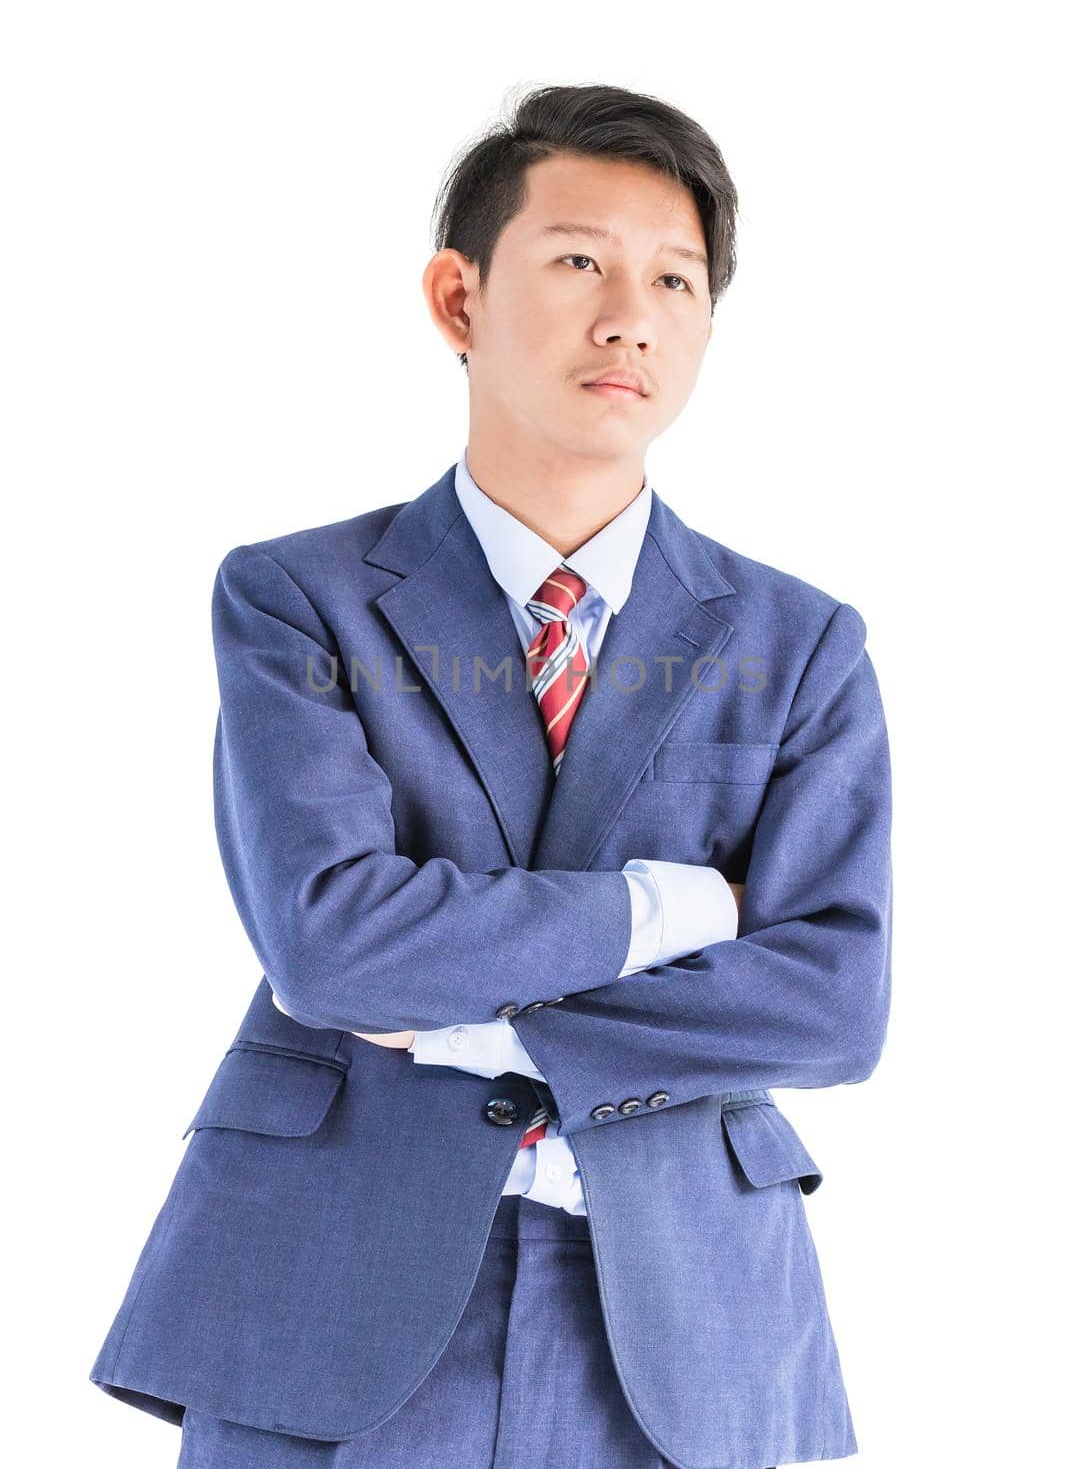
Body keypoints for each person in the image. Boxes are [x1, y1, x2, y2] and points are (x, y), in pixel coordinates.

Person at [89, 82, 893, 1469]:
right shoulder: (300, 600)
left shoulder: (799, 642)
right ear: (457, 299)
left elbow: (830, 1000)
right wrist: (673, 912)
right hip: (330, 1288)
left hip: (677, 1317)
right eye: (578, 259)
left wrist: (489, 1031)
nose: (629, 312)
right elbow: (335, 943)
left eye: (674, 279)